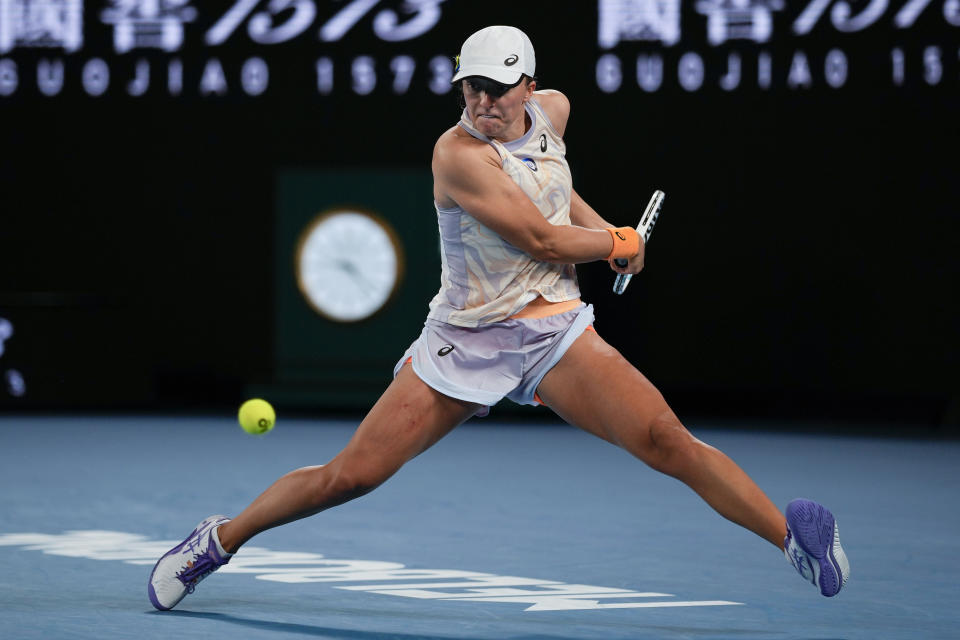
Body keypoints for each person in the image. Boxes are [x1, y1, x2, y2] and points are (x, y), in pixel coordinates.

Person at [148, 26, 849, 611]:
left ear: (527, 86)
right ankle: (220, 539)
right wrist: (619, 243)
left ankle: (793, 540)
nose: (481, 100)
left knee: (666, 439)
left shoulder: (555, 112)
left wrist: (605, 230)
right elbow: (540, 239)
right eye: (470, 87)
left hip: (555, 333)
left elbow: (557, 192)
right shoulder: (456, 156)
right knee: (351, 477)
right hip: (465, 340)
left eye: (496, 87)